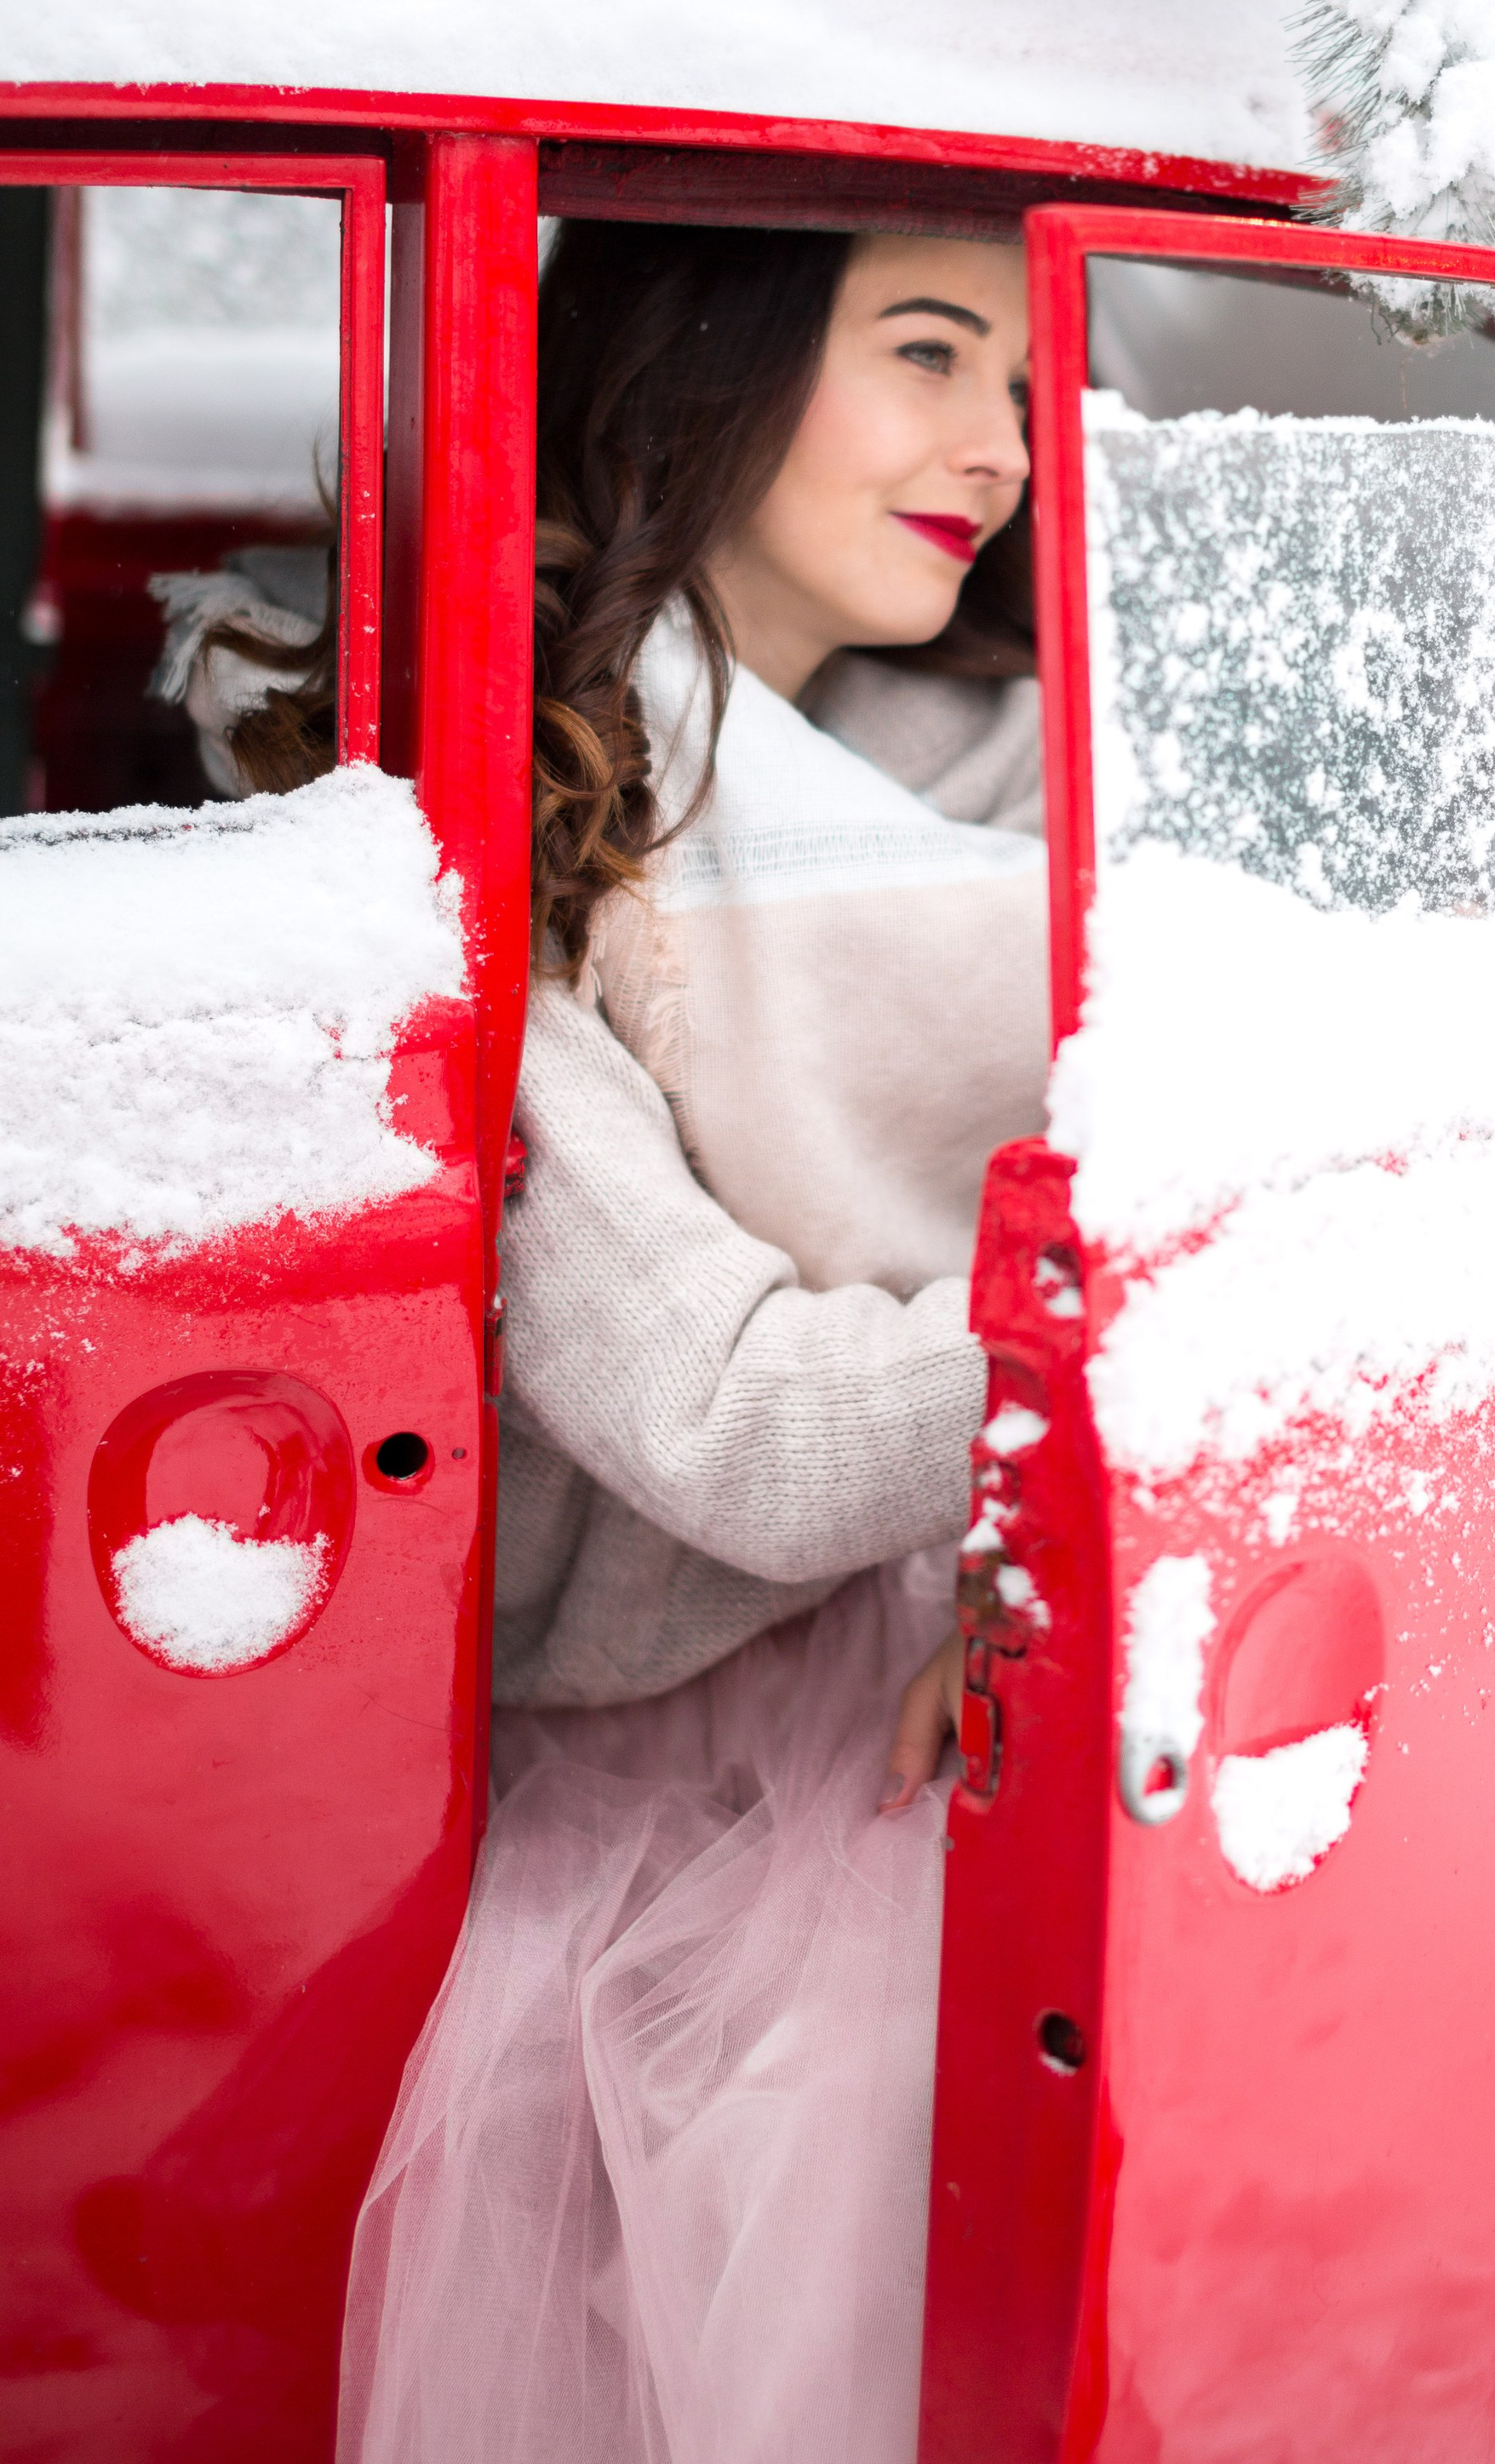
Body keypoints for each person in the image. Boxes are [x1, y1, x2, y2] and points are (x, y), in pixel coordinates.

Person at [186, 217, 1049, 2464]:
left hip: (1000, 1664)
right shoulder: (500, 808)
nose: (1003, 448)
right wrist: (1086, 1388)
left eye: (1026, 382)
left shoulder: (1052, 776)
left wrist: (1036, 1530)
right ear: (704, 356)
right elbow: (735, 1423)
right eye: (930, 353)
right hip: (700, 1787)